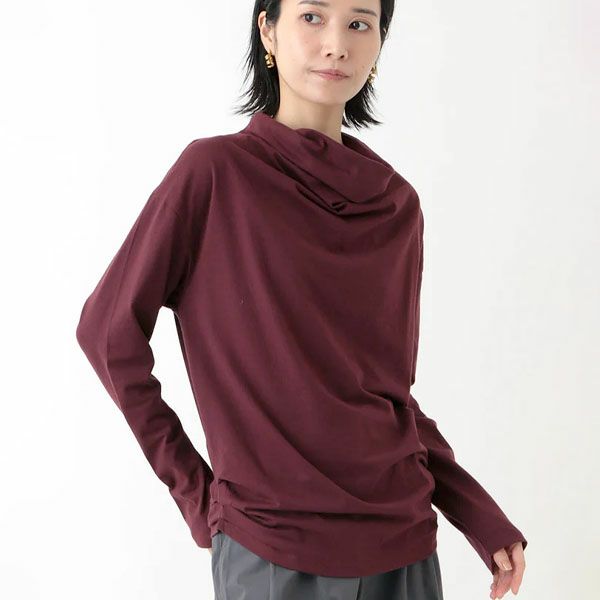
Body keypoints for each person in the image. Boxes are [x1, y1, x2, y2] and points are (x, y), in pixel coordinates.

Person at [75, 1, 528, 598]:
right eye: (312, 16)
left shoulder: (397, 206)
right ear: (267, 30)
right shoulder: (214, 174)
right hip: (271, 546)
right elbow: (108, 334)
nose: (337, 43)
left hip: (404, 543)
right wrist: (198, 493)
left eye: (360, 23)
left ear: (380, 42)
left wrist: (475, 511)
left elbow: (387, 393)